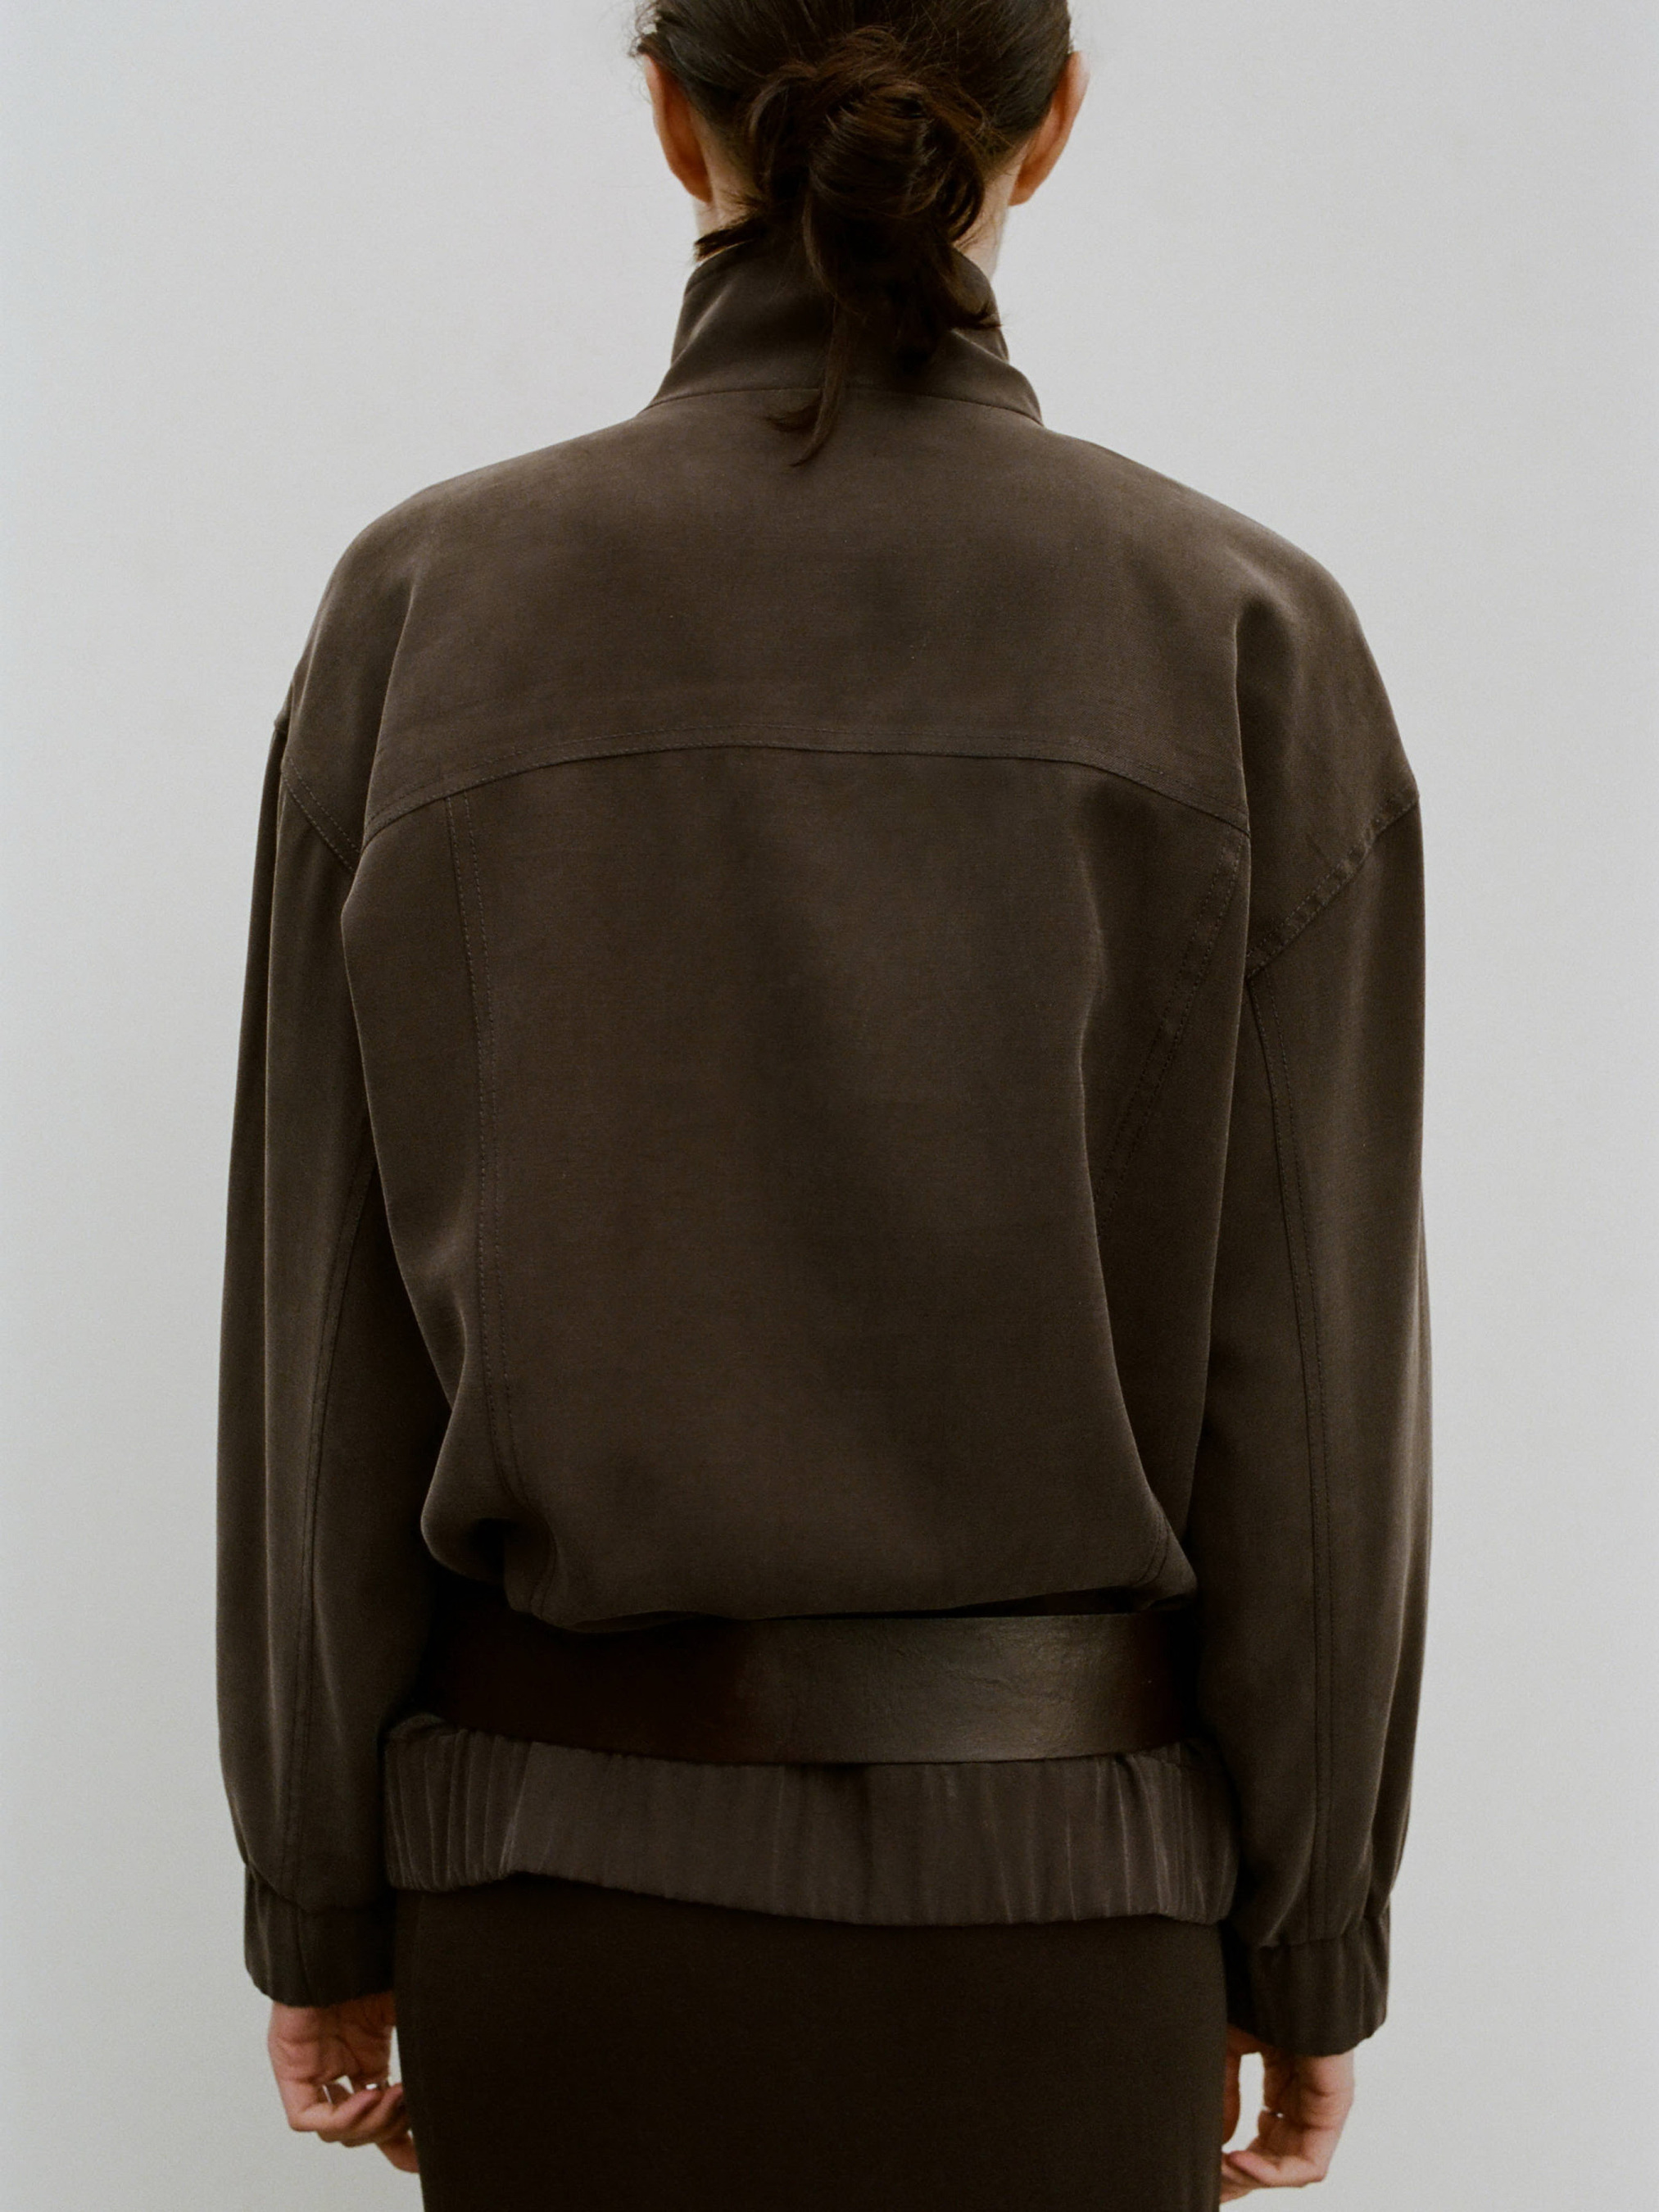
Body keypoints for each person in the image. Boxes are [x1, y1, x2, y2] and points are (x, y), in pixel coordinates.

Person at [215, 4, 1429, 2206]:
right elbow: (1312, 1403)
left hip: (554, 1921)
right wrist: (1310, 1933)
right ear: (1051, 124)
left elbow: (324, 1353)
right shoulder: (1245, 630)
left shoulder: (422, 610)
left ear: (668, 111)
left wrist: (315, 1895)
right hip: (1065, 1942)